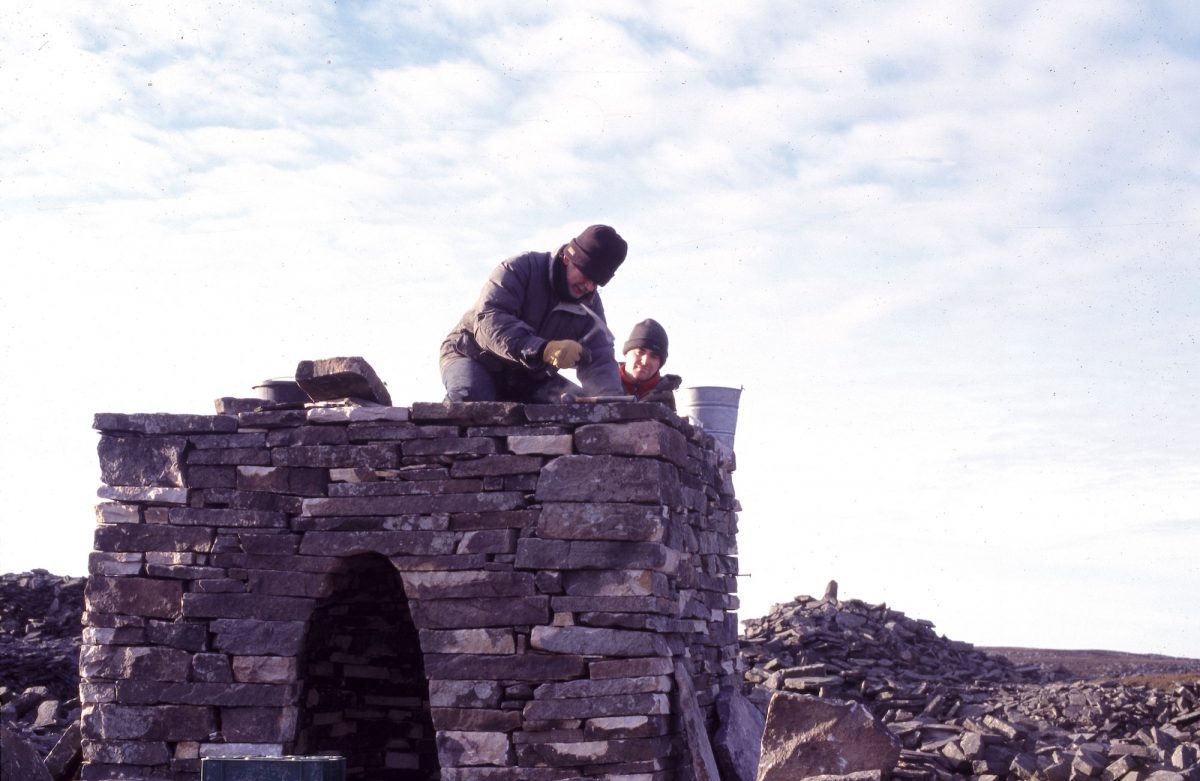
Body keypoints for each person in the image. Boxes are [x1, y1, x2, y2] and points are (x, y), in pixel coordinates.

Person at [440, 225, 628, 402]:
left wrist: (610, 401)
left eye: (597, 282)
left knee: (581, 409)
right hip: (473, 357)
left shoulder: (590, 304)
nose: (588, 286)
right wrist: (541, 349)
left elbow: (600, 356)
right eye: (586, 275)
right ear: (567, 259)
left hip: (528, 376)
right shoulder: (520, 268)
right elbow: (488, 321)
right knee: (470, 403)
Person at [619, 318, 681, 409]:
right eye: (640, 352)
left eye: (654, 356)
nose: (645, 361)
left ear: (660, 363)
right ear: (626, 353)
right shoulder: (602, 386)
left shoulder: (676, 400)